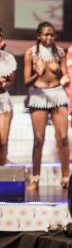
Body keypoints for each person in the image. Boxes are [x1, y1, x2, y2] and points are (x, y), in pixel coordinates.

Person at [23, 21, 71, 190]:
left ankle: (66, 176)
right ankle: (35, 178)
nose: (49, 37)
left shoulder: (60, 53)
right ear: (38, 36)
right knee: (39, 139)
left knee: (63, 136)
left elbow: (65, 74)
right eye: (45, 34)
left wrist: (65, 78)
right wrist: (39, 72)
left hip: (58, 94)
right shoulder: (31, 54)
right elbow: (26, 82)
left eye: (52, 34)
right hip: (39, 95)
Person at [0, 27, 16, 165]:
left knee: (3, 141)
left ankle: (2, 171)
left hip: (3, 100)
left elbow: (11, 83)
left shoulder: (8, 58)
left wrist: (4, 84)